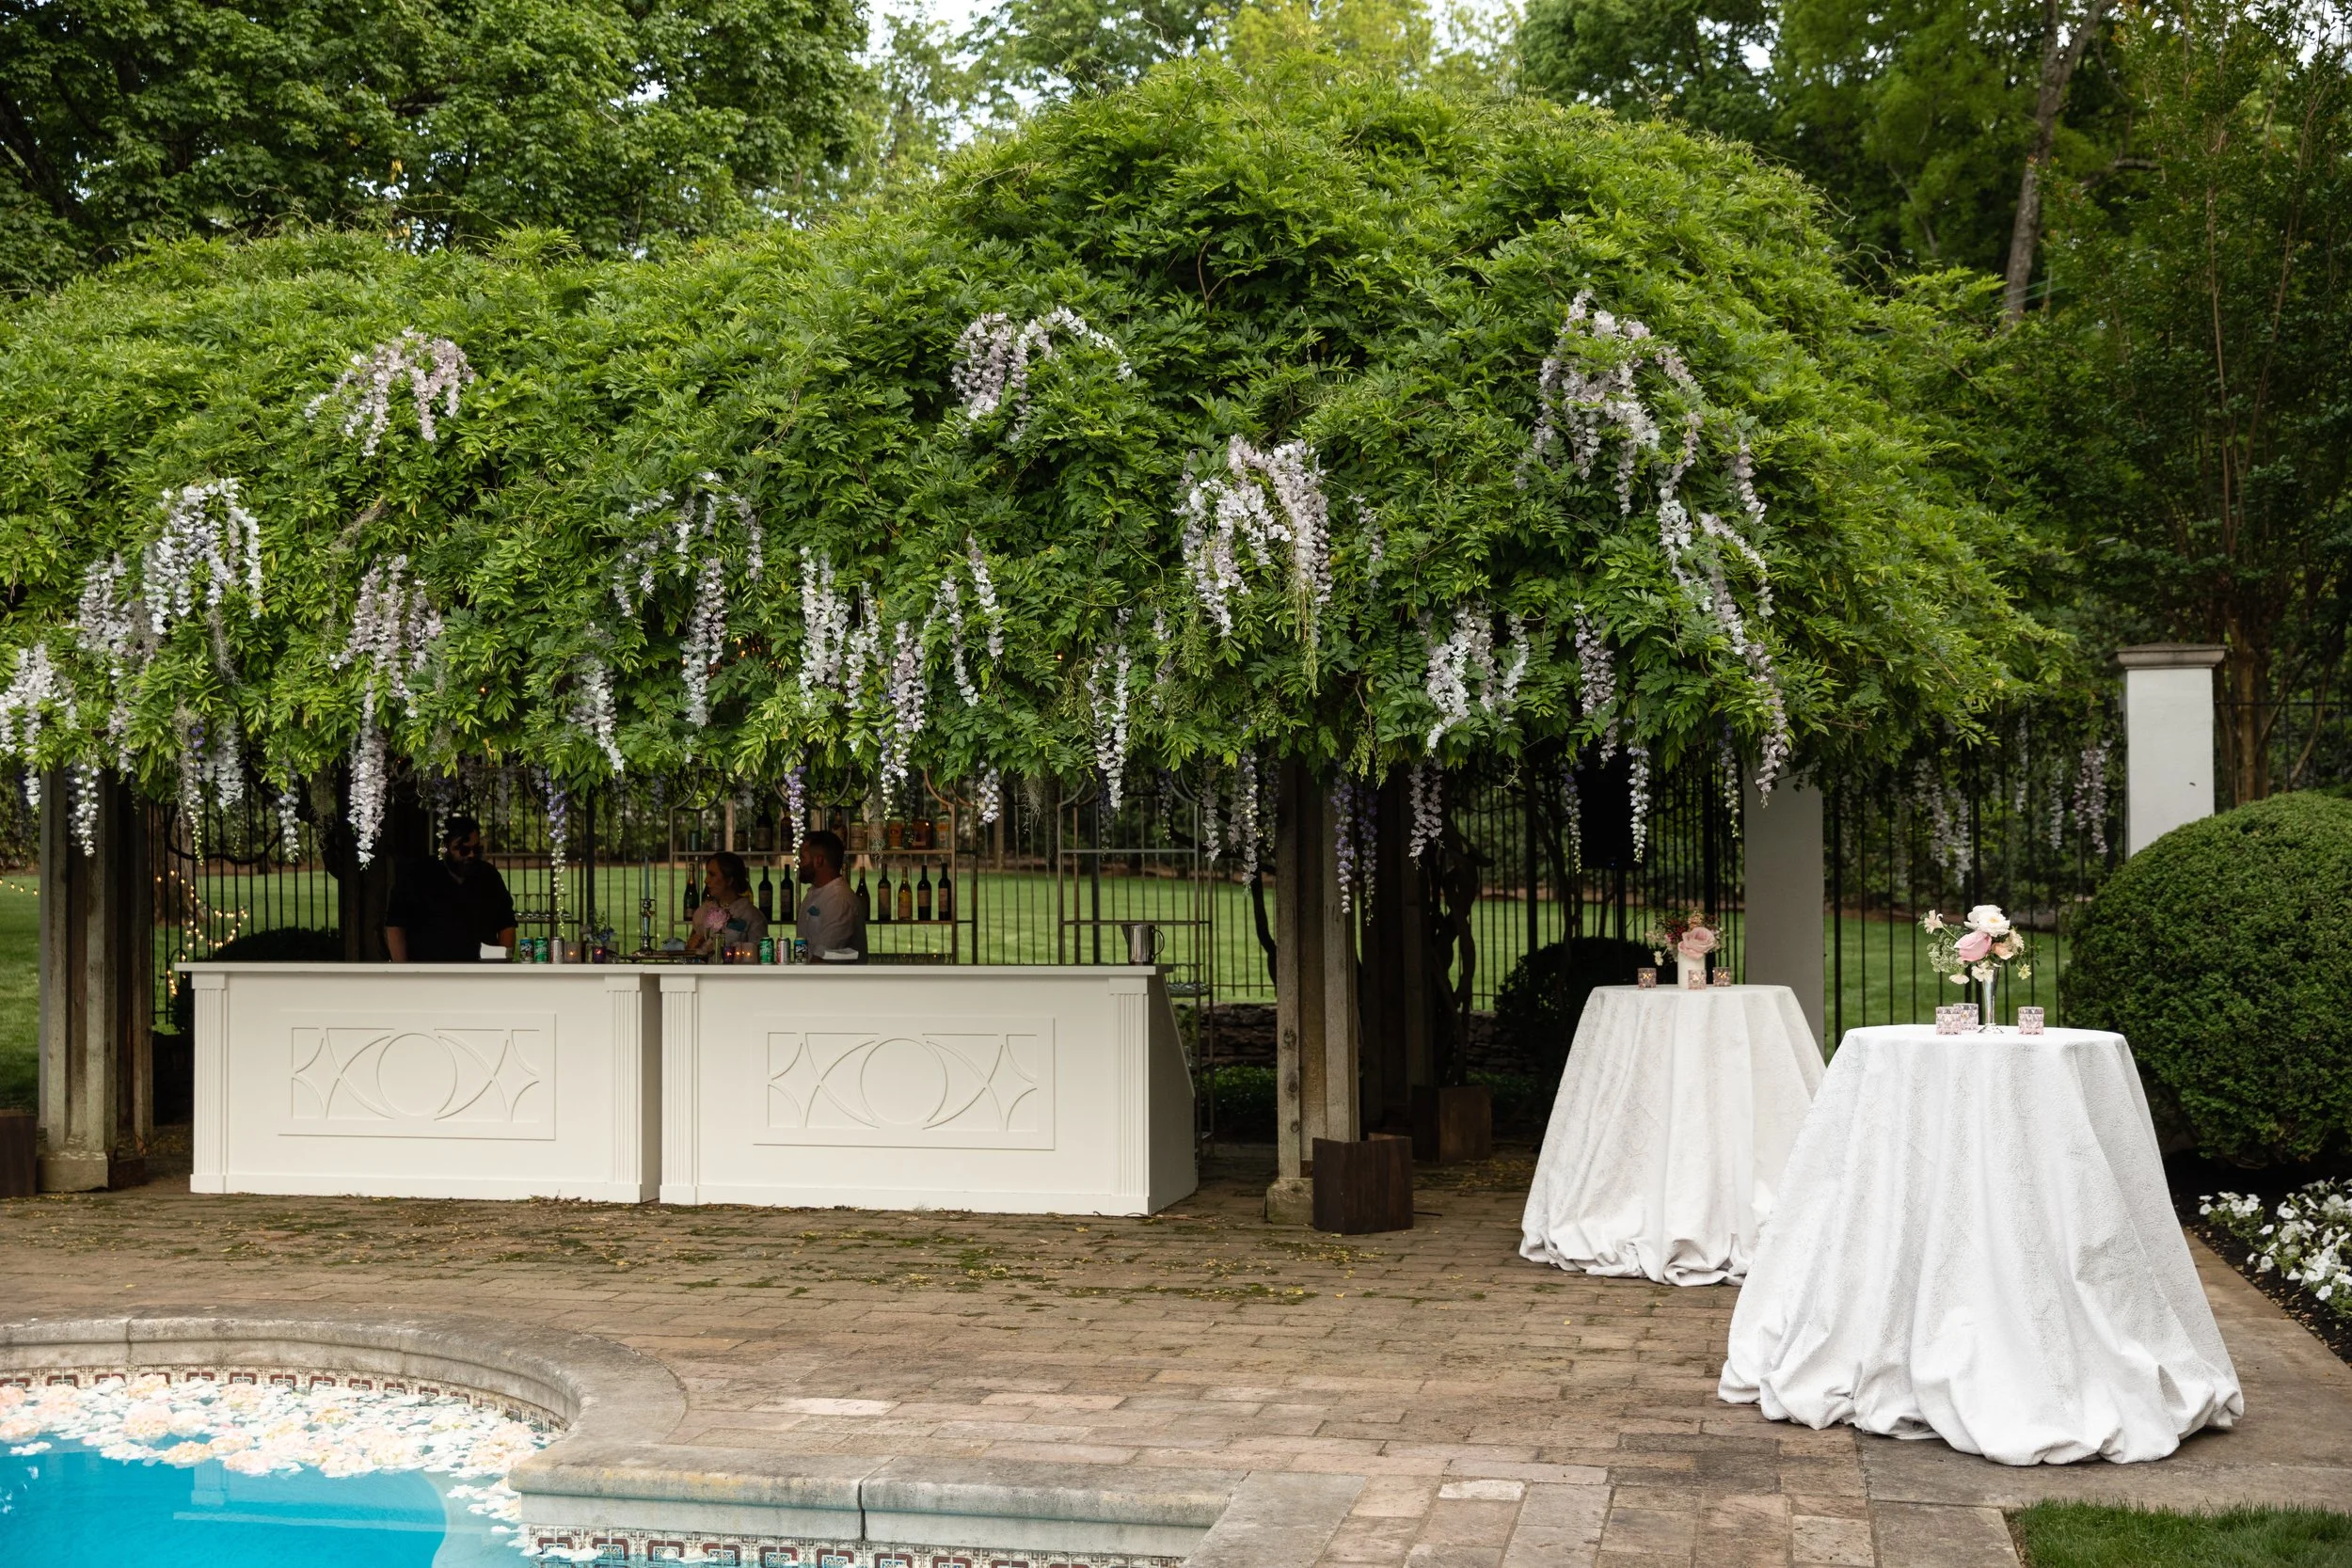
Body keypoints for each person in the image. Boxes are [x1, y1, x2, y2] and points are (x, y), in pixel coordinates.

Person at [385, 815, 518, 961]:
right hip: (428, 971)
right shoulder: (417, 875)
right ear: (445, 848)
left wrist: (502, 965)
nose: (472, 855)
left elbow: (506, 924)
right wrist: (403, 972)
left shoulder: (489, 876)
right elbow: (395, 925)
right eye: (463, 850)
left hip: (481, 970)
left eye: (476, 849)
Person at [795, 830, 865, 960]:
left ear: (819, 861)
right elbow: (804, 945)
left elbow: (822, 959)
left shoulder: (838, 901)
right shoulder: (814, 893)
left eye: (803, 857)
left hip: (834, 980)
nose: (799, 863)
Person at [686, 850, 768, 960]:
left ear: (729, 880)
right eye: (707, 874)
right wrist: (691, 947)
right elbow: (690, 954)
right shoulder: (703, 912)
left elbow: (762, 958)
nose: (706, 880)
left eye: (712, 875)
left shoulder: (751, 916)